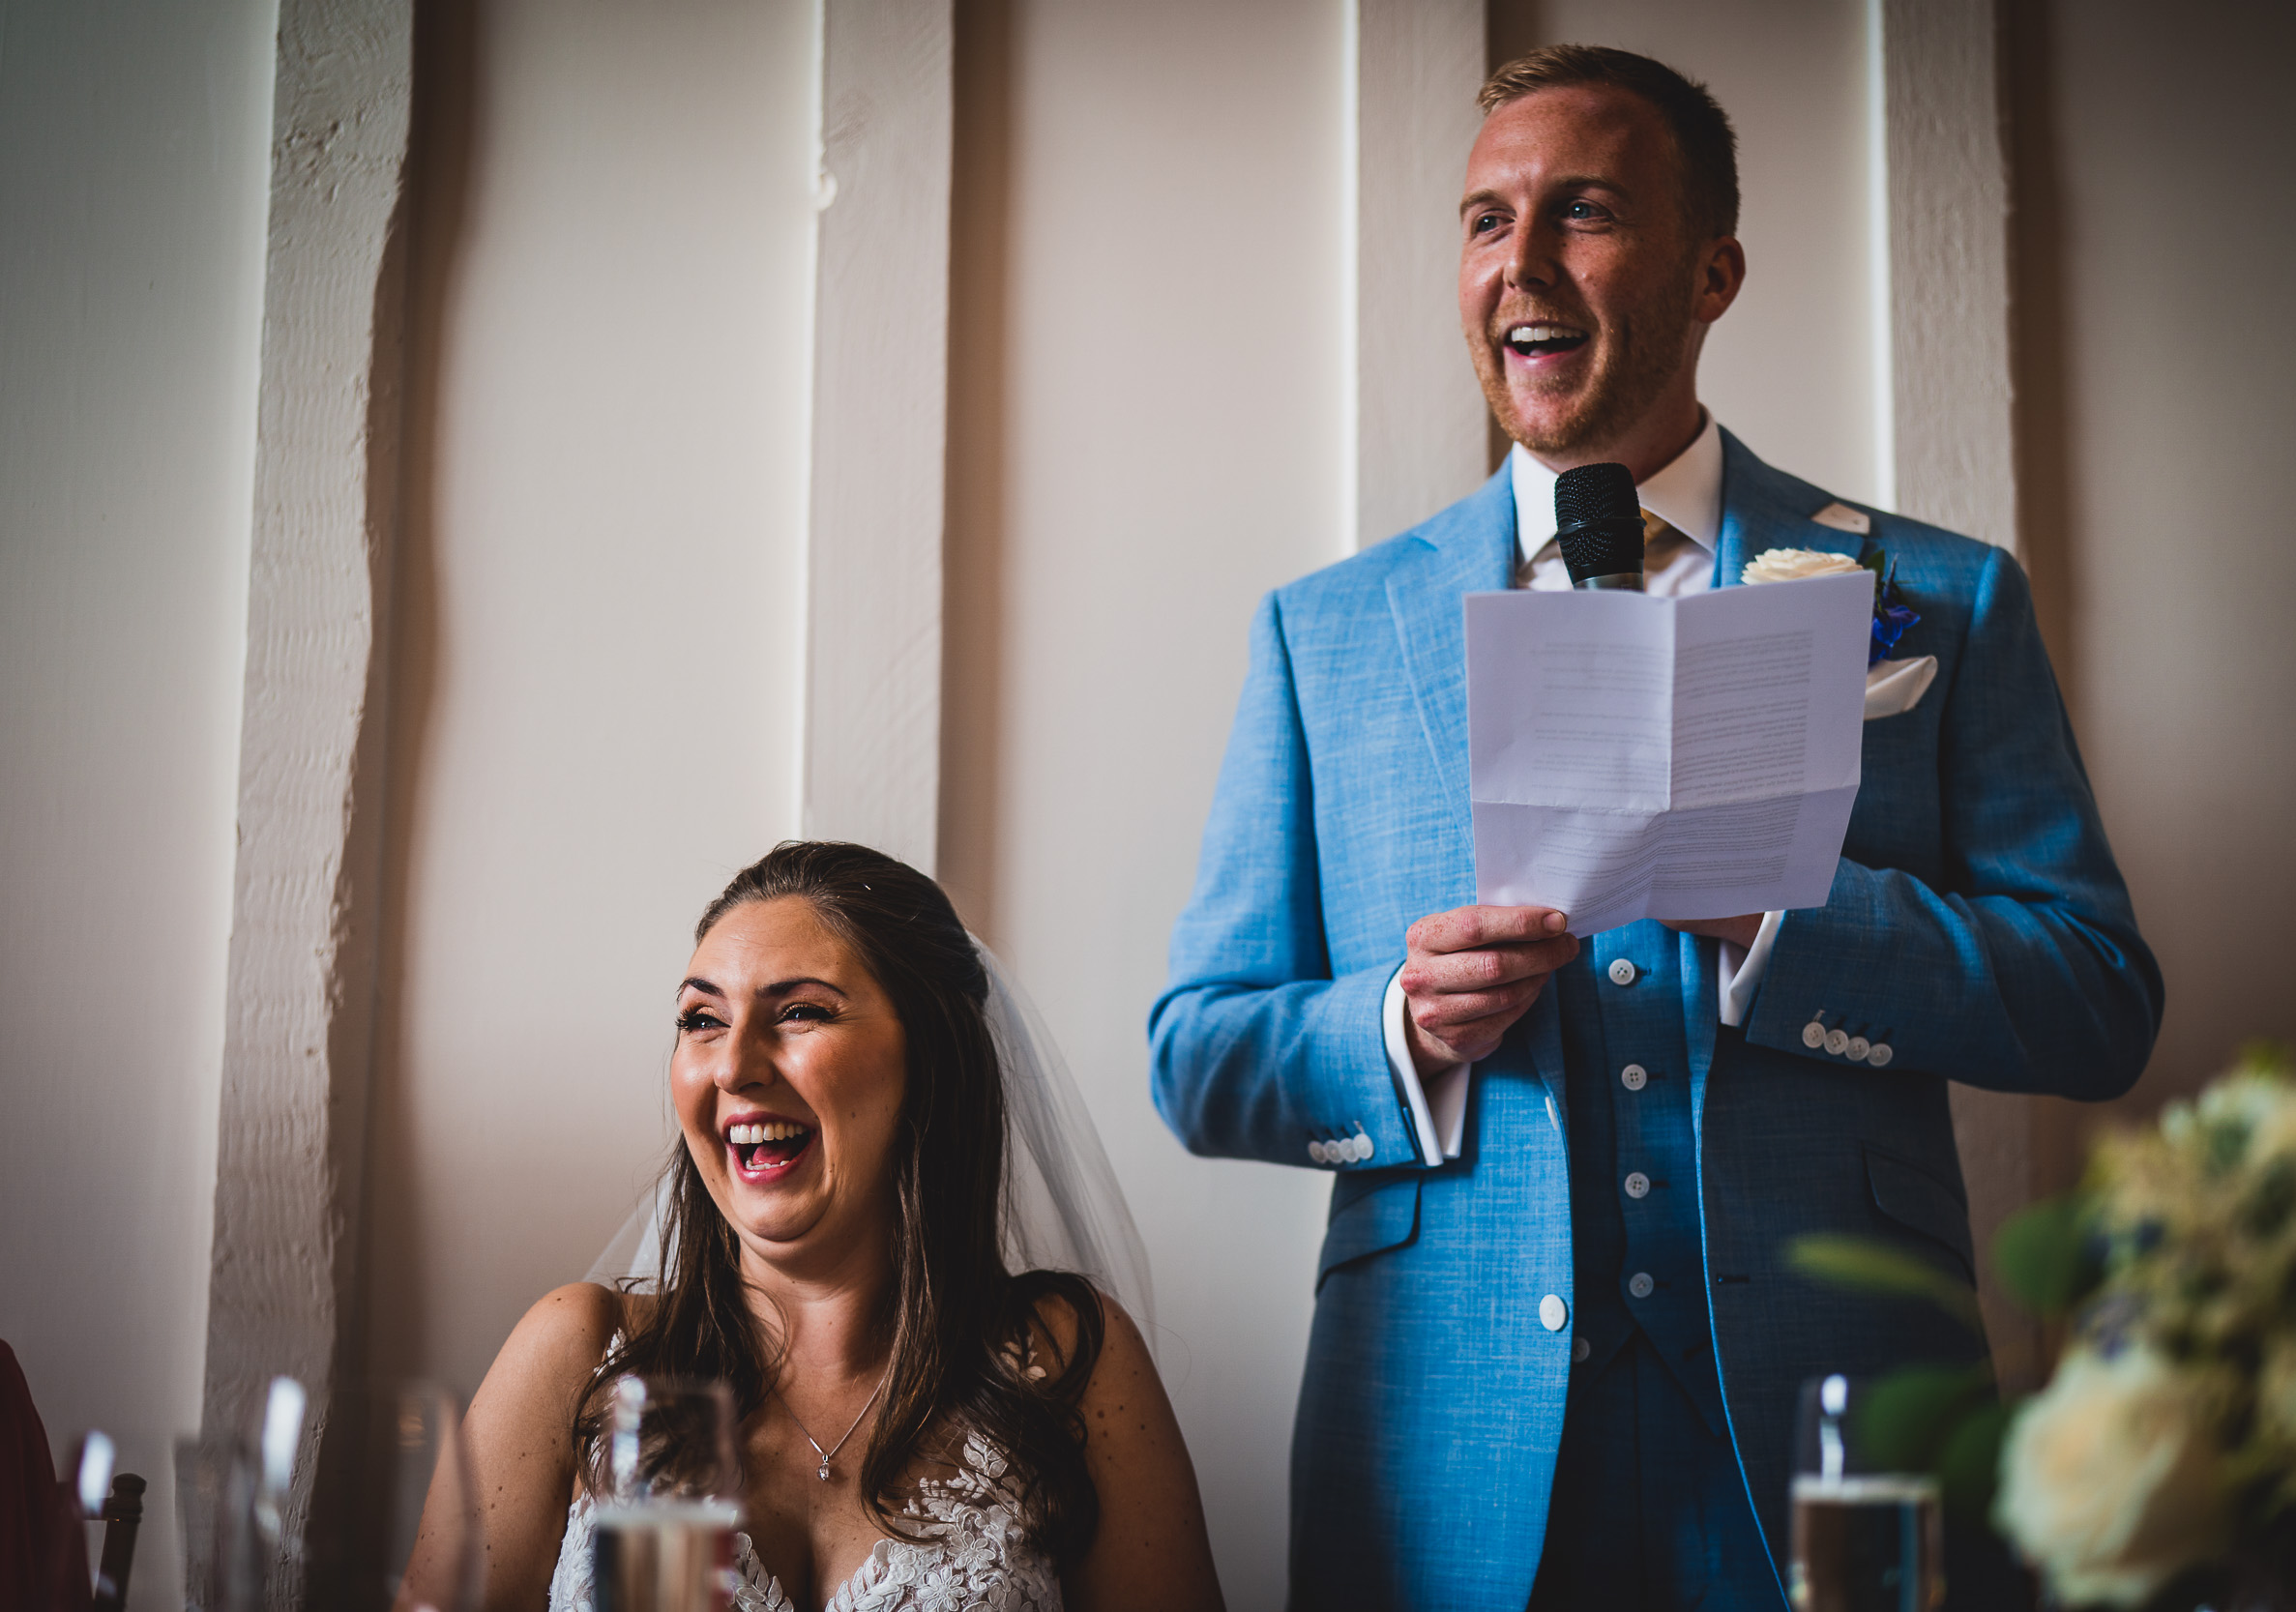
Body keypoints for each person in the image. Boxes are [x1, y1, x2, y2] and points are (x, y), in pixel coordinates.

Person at [1150, 44, 2161, 1610]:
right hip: (1444, 1457)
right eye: (1486, 220)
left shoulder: (1940, 598)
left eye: (1587, 210)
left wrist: (1792, 924)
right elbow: (1197, 1050)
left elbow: (2097, 997)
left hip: (1836, 1428)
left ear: (1715, 269)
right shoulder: (1328, 632)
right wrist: (1403, 1026)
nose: (1520, 264)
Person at [455, 841, 1223, 1611]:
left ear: (932, 1057)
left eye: (800, 1011)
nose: (733, 1066)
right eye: (702, 1018)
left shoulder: (1062, 1364)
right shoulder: (584, 1356)